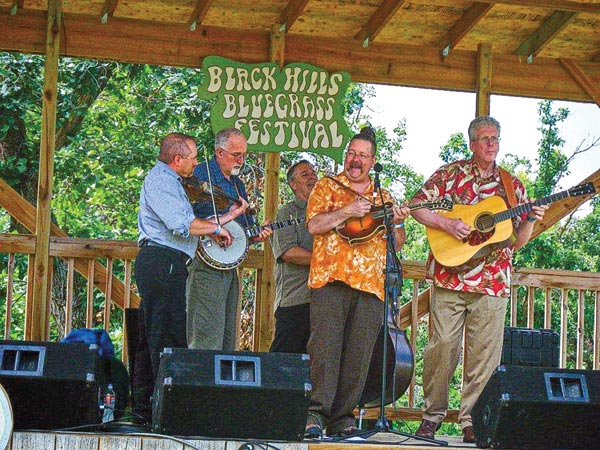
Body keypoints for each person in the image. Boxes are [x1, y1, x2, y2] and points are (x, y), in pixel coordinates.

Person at [410, 116, 548, 443]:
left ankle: (472, 419)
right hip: (450, 275)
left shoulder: (512, 186)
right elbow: (417, 206)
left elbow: (518, 239)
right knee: (441, 348)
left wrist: (529, 219)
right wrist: (446, 225)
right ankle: (432, 416)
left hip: (493, 279)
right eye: (485, 138)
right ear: (472, 143)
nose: (491, 144)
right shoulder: (450, 174)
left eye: (495, 138)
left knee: (484, 356)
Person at [132, 132, 247, 424]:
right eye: (193, 158)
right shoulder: (161, 181)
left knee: (152, 336)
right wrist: (215, 230)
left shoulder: (174, 183)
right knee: (166, 336)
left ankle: (145, 410)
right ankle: (166, 412)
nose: (197, 164)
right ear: (177, 159)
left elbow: (195, 224)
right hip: (162, 260)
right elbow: (182, 225)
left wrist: (230, 215)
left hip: (169, 261)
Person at [304, 127, 410, 438]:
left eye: (362, 156)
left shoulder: (383, 196)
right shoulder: (327, 186)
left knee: (358, 354)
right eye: (351, 153)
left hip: (370, 286)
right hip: (331, 279)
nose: (355, 160)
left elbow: (398, 242)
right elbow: (314, 225)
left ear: (372, 161)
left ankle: (343, 418)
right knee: (324, 349)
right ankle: (315, 415)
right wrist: (348, 209)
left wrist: (399, 221)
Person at [187, 128, 272, 351]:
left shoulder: (237, 183)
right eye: (236, 155)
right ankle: (201, 384)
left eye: (243, 154)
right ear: (219, 152)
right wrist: (216, 228)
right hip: (204, 262)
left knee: (227, 336)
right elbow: (188, 219)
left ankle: (221, 384)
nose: (241, 160)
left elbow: (239, 230)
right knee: (206, 334)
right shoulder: (200, 175)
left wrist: (254, 236)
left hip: (228, 264)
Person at [269, 159, 318, 354]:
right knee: (283, 362)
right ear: (293, 184)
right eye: (305, 174)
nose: (312, 177)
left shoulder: (329, 212)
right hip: (295, 300)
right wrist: (327, 261)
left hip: (322, 301)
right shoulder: (287, 213)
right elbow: (288, 252)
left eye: (314, 173)